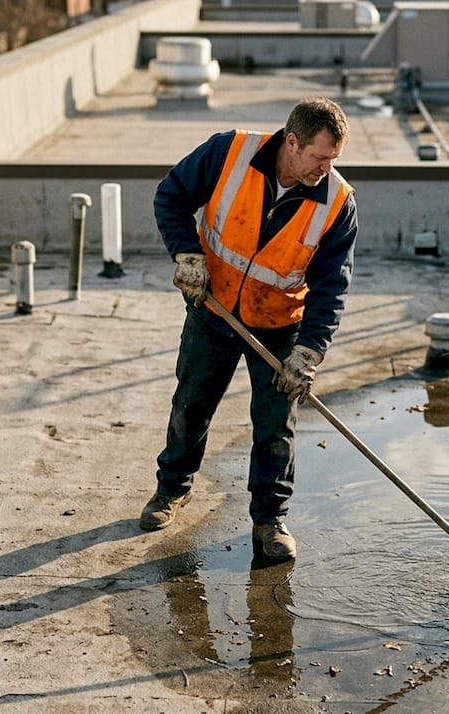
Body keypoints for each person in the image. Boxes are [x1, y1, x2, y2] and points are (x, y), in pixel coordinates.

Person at [140, 96, 359, 563]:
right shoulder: (229, 153)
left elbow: (331, 286)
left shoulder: (337, 203)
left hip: (281, 325)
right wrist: (186, 253)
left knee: (275, 428)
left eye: (333, 159)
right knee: (191, 406)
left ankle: (269, 521)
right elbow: (171, 196)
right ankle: (171, 491)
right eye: (320, 157)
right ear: (292, 141)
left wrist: (309, 352)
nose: (326, 168)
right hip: (213, 310)